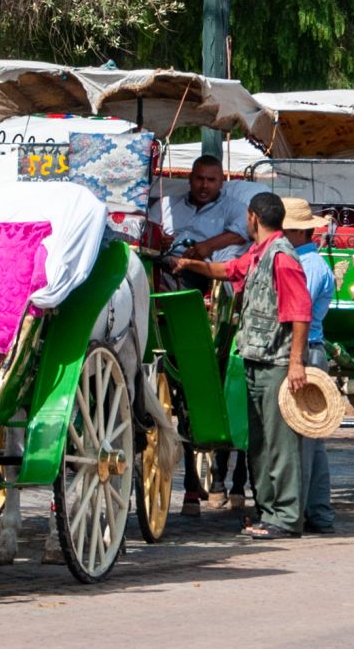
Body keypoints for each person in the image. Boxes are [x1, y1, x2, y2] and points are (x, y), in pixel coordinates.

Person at [170, 191, 314, 538]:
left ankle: (286, 517)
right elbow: (227, 270)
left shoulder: (282, 258)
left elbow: (300, 312)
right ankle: (268, 513)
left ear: (253, 218)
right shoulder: (259, 253)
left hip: (276, 363)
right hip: (255, 358)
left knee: (280, 443)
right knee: (259, 443)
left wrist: (296, 363)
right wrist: (190, 265)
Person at [152, 155, 267, 514]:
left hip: (208, 274)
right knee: (158, 267)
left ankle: (228, 477)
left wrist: (205, 247)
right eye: (199, 178)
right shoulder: (167, 205)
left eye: (211, 180)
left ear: (221, 182)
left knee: (186, 275)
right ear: (190, 179)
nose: (204, 185)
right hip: (171, 267)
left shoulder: (234, 207)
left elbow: (242, 234)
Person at [294, 204, 337, 534]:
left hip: (305, 351)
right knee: (312, 440)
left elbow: (300, 314)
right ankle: (318, 512)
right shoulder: (308, 262)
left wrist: (294, 360)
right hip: (310, 350)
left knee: (303, 441)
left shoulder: (308, 266)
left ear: (296, 232)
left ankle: (296, 512)